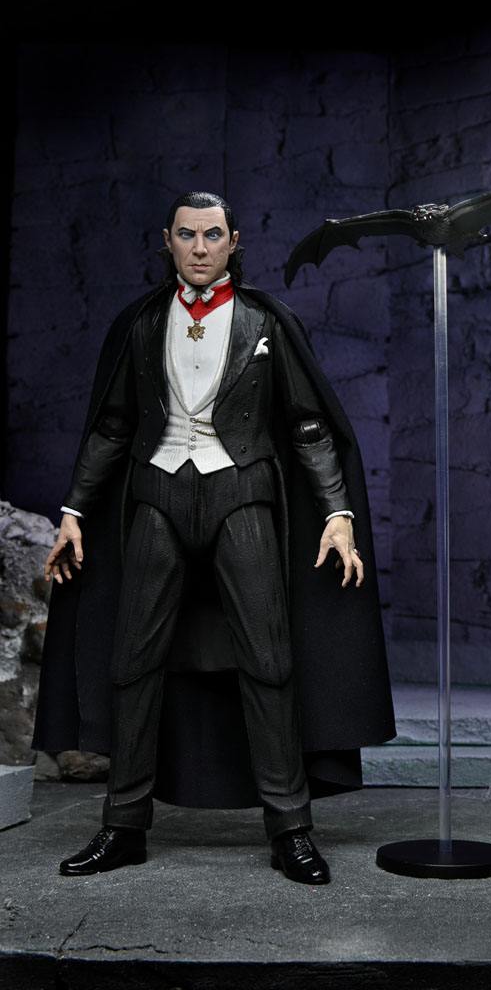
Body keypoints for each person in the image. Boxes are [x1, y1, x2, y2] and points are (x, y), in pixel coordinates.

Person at [33, 190, 396, 885]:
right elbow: (112, 425)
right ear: (167, 241)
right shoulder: (141, 322)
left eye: (211, 235)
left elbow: (308, 425)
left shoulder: (266, 321)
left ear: (234, 242)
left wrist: (337, 513)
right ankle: (123, 825)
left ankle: (290, 829)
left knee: (267, 659)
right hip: (157, 495)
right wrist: (75, 509)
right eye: (186, 234)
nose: (199, 248)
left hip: (242, 494)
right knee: (133, 661)